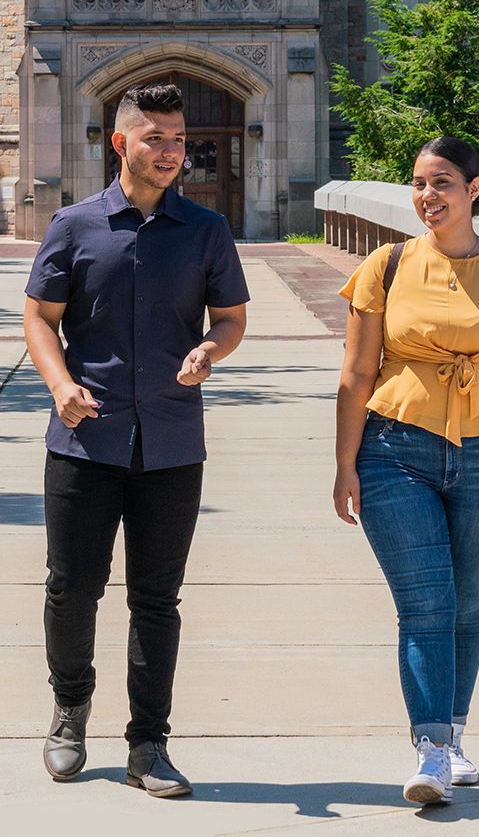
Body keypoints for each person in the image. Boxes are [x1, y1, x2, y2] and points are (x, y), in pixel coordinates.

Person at [24, 83, 249, 798]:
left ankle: (149, 744)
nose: (171, 151)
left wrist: (211, 350)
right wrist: (59, 383)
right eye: (156, 138)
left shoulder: (205, 230)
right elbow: (39, 318)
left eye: (178, 139)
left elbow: (231, 318)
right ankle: (69, 710)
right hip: (84, 440)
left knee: (157, 598)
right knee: (72, 587)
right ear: (121, 143)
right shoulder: (74, 224)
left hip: (172, 441)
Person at [334, 136, 479, 805]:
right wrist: (344, 463)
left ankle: (454, 734)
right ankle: (429, 748)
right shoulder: (388, 264)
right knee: (425, 605)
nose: (427, 196)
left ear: (473, 190)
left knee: (467, 605)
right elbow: (354, 372)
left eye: (442, 183)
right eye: (418, 183)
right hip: (394, 449)